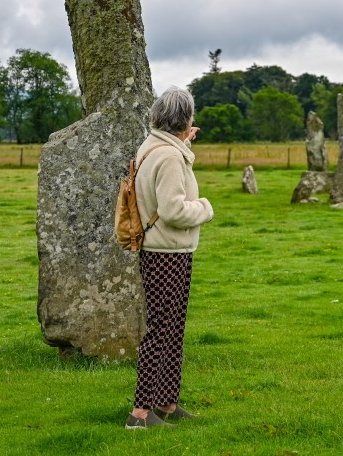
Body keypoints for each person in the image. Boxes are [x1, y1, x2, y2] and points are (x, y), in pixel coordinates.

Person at [126, 86, 214, 429]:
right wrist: (205, 208)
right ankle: (139, 414)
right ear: (185, 118)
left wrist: (184, 142)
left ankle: (166, 402)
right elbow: (173, 210)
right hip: (167, 253)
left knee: (172, 330)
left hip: (165, 250)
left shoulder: (154, 145)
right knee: (162, 332)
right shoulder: (170, 157)